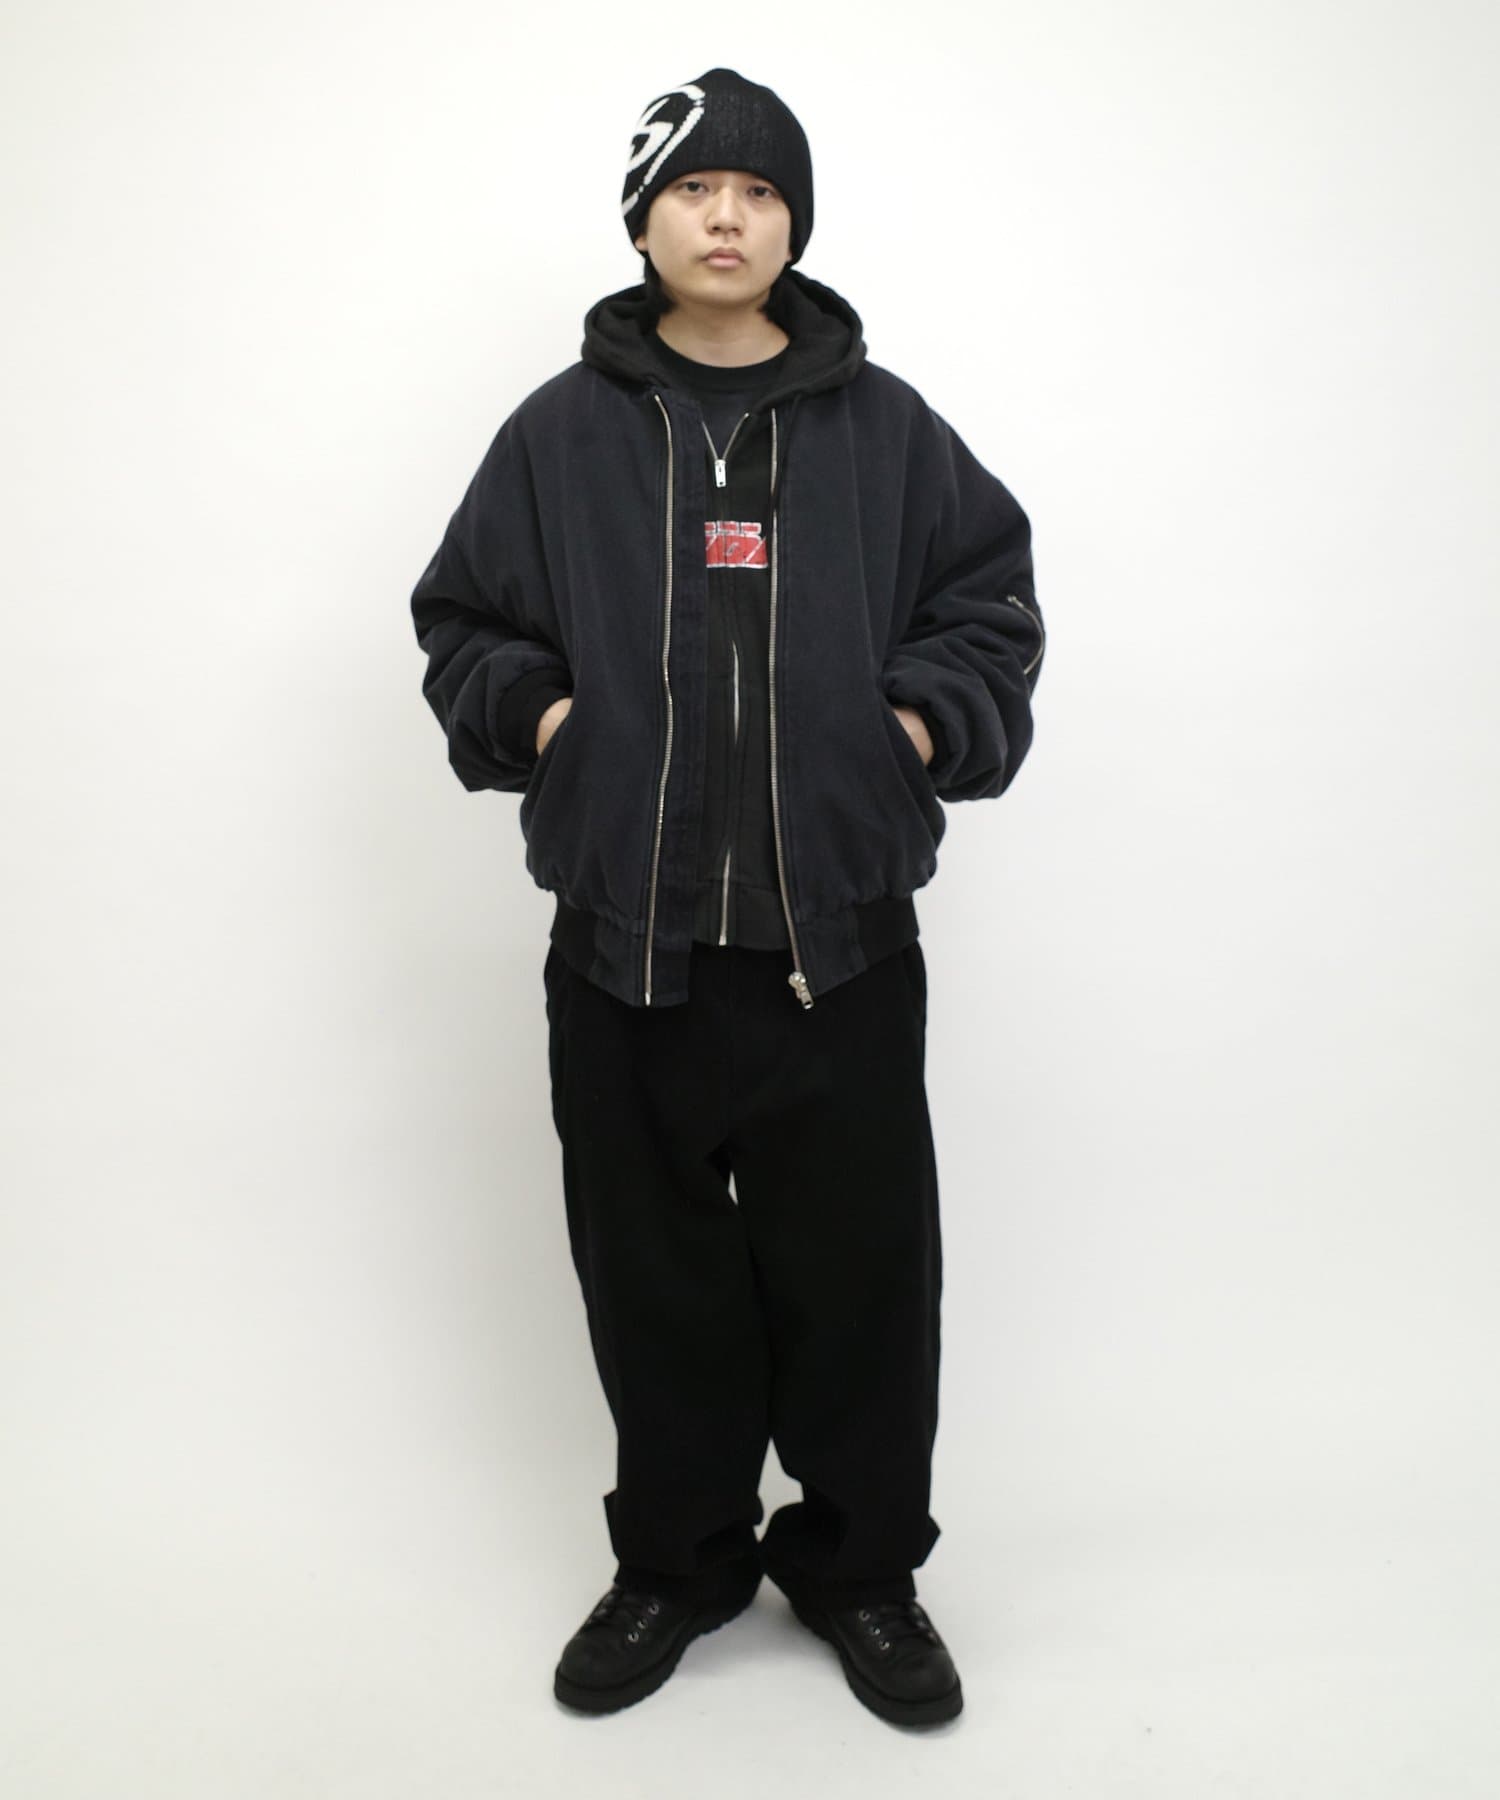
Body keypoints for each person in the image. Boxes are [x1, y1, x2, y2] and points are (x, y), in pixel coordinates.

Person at [409, 67, 1045, 1728]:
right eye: (696, 187)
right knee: (656, 1284)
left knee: (862, 1282)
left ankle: (860, 1571)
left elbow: (988, 604)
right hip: (629, 950)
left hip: (841, 945)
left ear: (793, 226)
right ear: (644, 219)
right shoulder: (559, 436)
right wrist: (551, 722)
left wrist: (915, 729)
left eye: (762, 192)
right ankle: (679, 1563)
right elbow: (465, 621)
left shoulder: (884, 429)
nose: (728, 216)